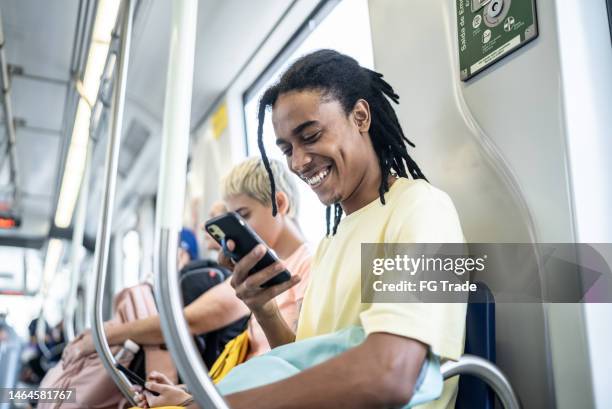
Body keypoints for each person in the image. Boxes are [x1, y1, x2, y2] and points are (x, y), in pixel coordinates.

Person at [142, 50, 465, 409]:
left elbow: (389, 375)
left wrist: (214, 405)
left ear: (360, 116)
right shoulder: (332, 239)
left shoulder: (422, 209)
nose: (298, 162)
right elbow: (303, 367)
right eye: (287, 149)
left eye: (310, 136)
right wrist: (264, 310)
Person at [62, 158, 311, 372]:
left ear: (280, 204)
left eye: (244, 217)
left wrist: (104, 337)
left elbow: (191, 321)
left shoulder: (307, 266)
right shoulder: (258, 270)